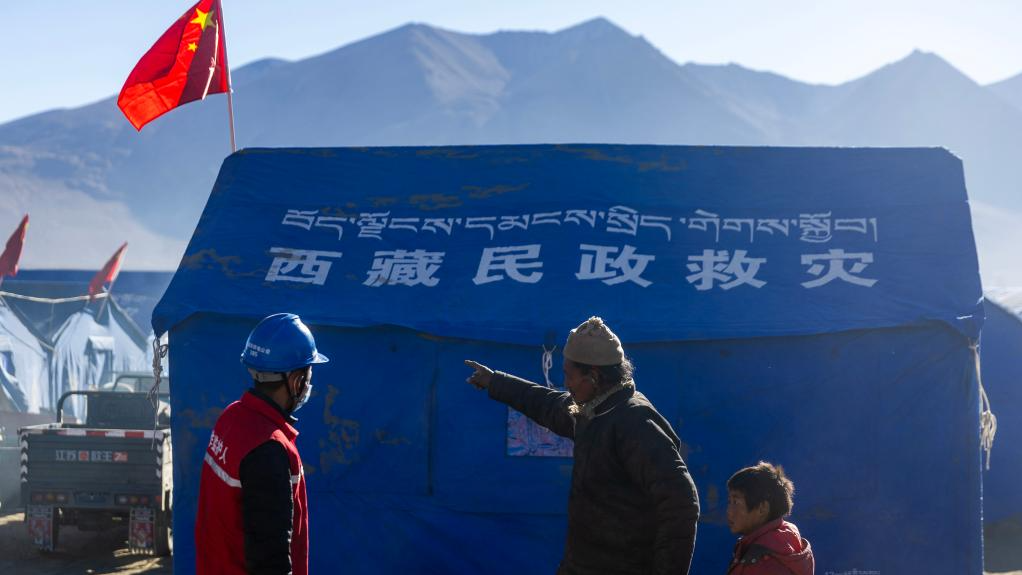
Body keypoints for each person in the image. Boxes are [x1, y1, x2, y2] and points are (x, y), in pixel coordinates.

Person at [465, 316, 700, 575]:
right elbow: (548, 404)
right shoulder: (593, 409)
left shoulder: (635, 422)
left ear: (594, 376)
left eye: (569, 375)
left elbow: (680, 503)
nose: (566, 384)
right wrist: (495, 382)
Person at [195, 313, 329, 575]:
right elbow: (270, 558)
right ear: (295, 380)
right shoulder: (268, 448)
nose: (309, 383)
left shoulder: (231, 418)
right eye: (308, 373)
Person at [725, 462, 814, 575]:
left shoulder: (764, 566)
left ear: (762, 508)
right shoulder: (786, 539)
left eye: (736, 502)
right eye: (730, 502)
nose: (729, 511)